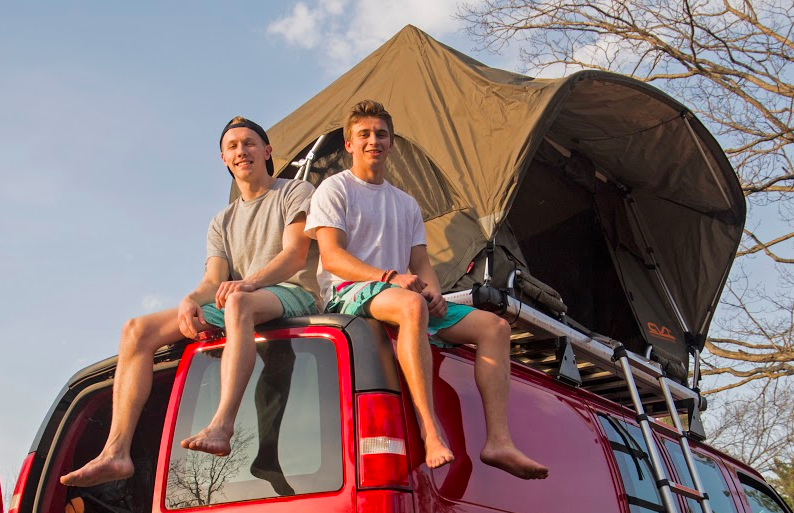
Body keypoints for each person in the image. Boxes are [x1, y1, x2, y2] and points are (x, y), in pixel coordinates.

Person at [61, 117, 317, 487]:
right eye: (232, 146)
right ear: (224, 159)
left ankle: (222, 425)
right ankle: (116, 453)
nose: (241, 151)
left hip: (292, 292)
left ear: (267, 151)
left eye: (249, 143)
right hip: (242, 296)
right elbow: (213, 281)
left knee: (237, 306)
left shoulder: (295, 191)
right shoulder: (222, 221)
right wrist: (188, 301)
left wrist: (245, 284)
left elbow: (295, 255)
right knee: (137, 330)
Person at [307, 100, 548, 480]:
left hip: (396, 292)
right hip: (348, 294)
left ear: (392, 143)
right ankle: (429, 428)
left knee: (495, 328)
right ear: (349, 143)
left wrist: (435, 292)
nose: (374, 141)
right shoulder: (333, 190)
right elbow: (333, 257)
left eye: (381, 134)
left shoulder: (405, 203)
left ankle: (499, 441)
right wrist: (390, 278)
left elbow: (420, 265)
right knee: (410, 306)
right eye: (364, 134)